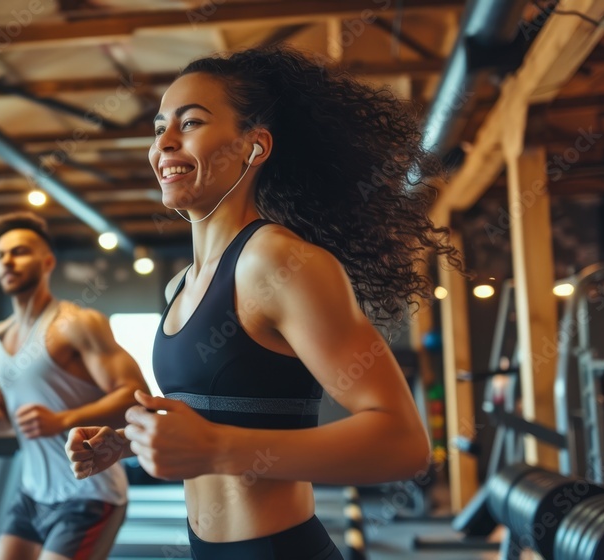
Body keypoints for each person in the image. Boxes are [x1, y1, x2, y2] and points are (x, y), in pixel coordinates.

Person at [65, 46, 463, 559]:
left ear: (254, 147)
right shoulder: (179, 286)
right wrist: (132, 439)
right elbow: (220, 409)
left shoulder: (276, 262)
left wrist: (214, 449)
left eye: (190, 123)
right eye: (159, 128)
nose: (163, 142)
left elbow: (403, 444)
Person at [0, 211, 149, 560]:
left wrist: (62, 420)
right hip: (32, 494)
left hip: (89, 492)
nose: (7, 262)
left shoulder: (77, 324)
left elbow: (135, 397)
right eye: (0, 255)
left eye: (19, 252)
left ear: (47, 262)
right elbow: (3, 416)